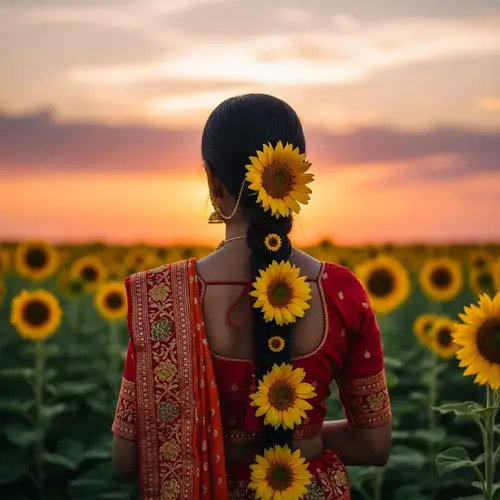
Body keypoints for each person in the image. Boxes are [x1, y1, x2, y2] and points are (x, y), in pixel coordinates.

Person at [111, 94, 392, 500]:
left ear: (212, 182)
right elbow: (374, 445)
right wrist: (305, 438)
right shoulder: (341, 292)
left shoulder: (162, 300)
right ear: (294, 175)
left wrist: (206, 439)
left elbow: (125, 460)